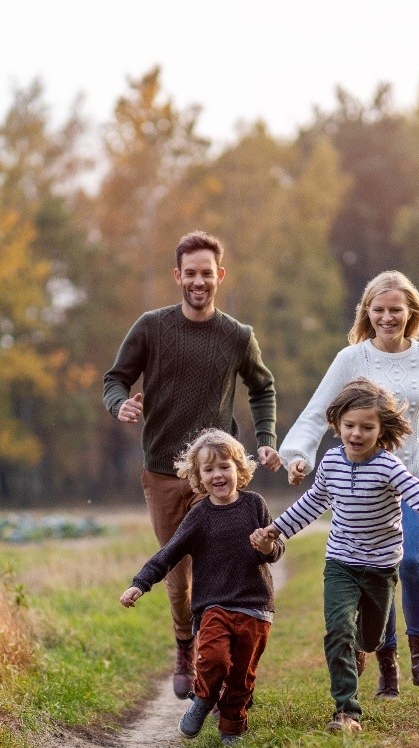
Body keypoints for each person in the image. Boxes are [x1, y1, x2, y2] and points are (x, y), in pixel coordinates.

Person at [278, 270, 419, 698]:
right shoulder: (352, 358)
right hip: (371, 479)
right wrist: (298, 456)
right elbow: (319, 409)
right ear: (367, 312)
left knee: (412, 561)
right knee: (378, 567)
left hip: (418, 472)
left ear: (411, 312)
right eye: (379, 310)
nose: (388, 318)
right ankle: (387, 664)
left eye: (396, 310)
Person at [104, 231, 283, 698]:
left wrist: (265, 440)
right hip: (163, 472)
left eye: (207, 273)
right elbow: (115, 378)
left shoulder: (237, 336)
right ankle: (186, 645)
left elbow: (262, 388)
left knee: (224, 566)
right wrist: (120, 404)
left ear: (219, 275)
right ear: (177, 276)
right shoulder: (151, 327)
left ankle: (215, 654)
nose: (198, 281)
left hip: (214, 475)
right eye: (190, 273)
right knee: (179, 573)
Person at [253, 378, 419, 734]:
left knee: (369, 639)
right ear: (337, 423)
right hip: (340, 562)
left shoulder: (389, 467)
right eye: (350, 425)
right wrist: (276, 529)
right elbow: (314, 502)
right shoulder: (331, 461)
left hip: (381, 567)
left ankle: (363, 651)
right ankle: (346, 712)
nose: (357, 434)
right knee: (338, 630)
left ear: (382, 429)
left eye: (367, 427)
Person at [121, 430, 283, 746]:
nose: (217, 475)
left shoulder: (255, 505)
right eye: (208, 469)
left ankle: (231, 728)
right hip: (214, 606)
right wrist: (140, 583)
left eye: (224, 466)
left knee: (242, 676)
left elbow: (276, 551)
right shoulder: (200, 516)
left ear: (239, 469)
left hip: (256, 607)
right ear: (198, 477)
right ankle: (204, 699)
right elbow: (169, 553)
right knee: (214, 660)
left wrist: (266, 547)